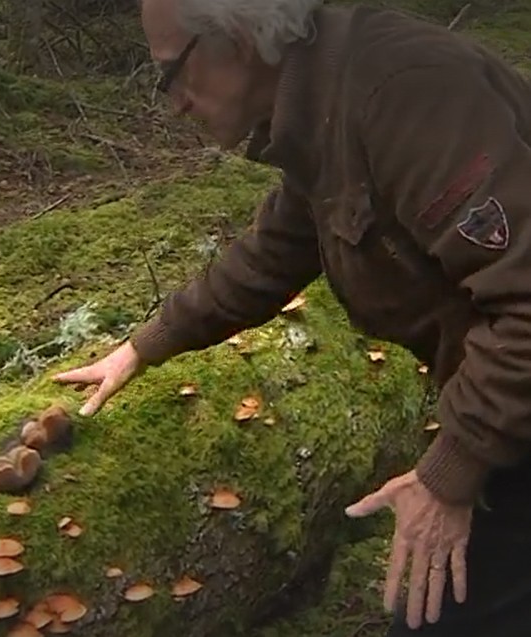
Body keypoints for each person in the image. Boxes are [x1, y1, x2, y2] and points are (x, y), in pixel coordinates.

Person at [53, 0, 531, 634]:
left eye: (172, 73)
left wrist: (449, 474)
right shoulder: (324, 105)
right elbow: (275, 252)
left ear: (240, 39)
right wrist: (145, 346)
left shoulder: (402, 92)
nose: (174, 102)